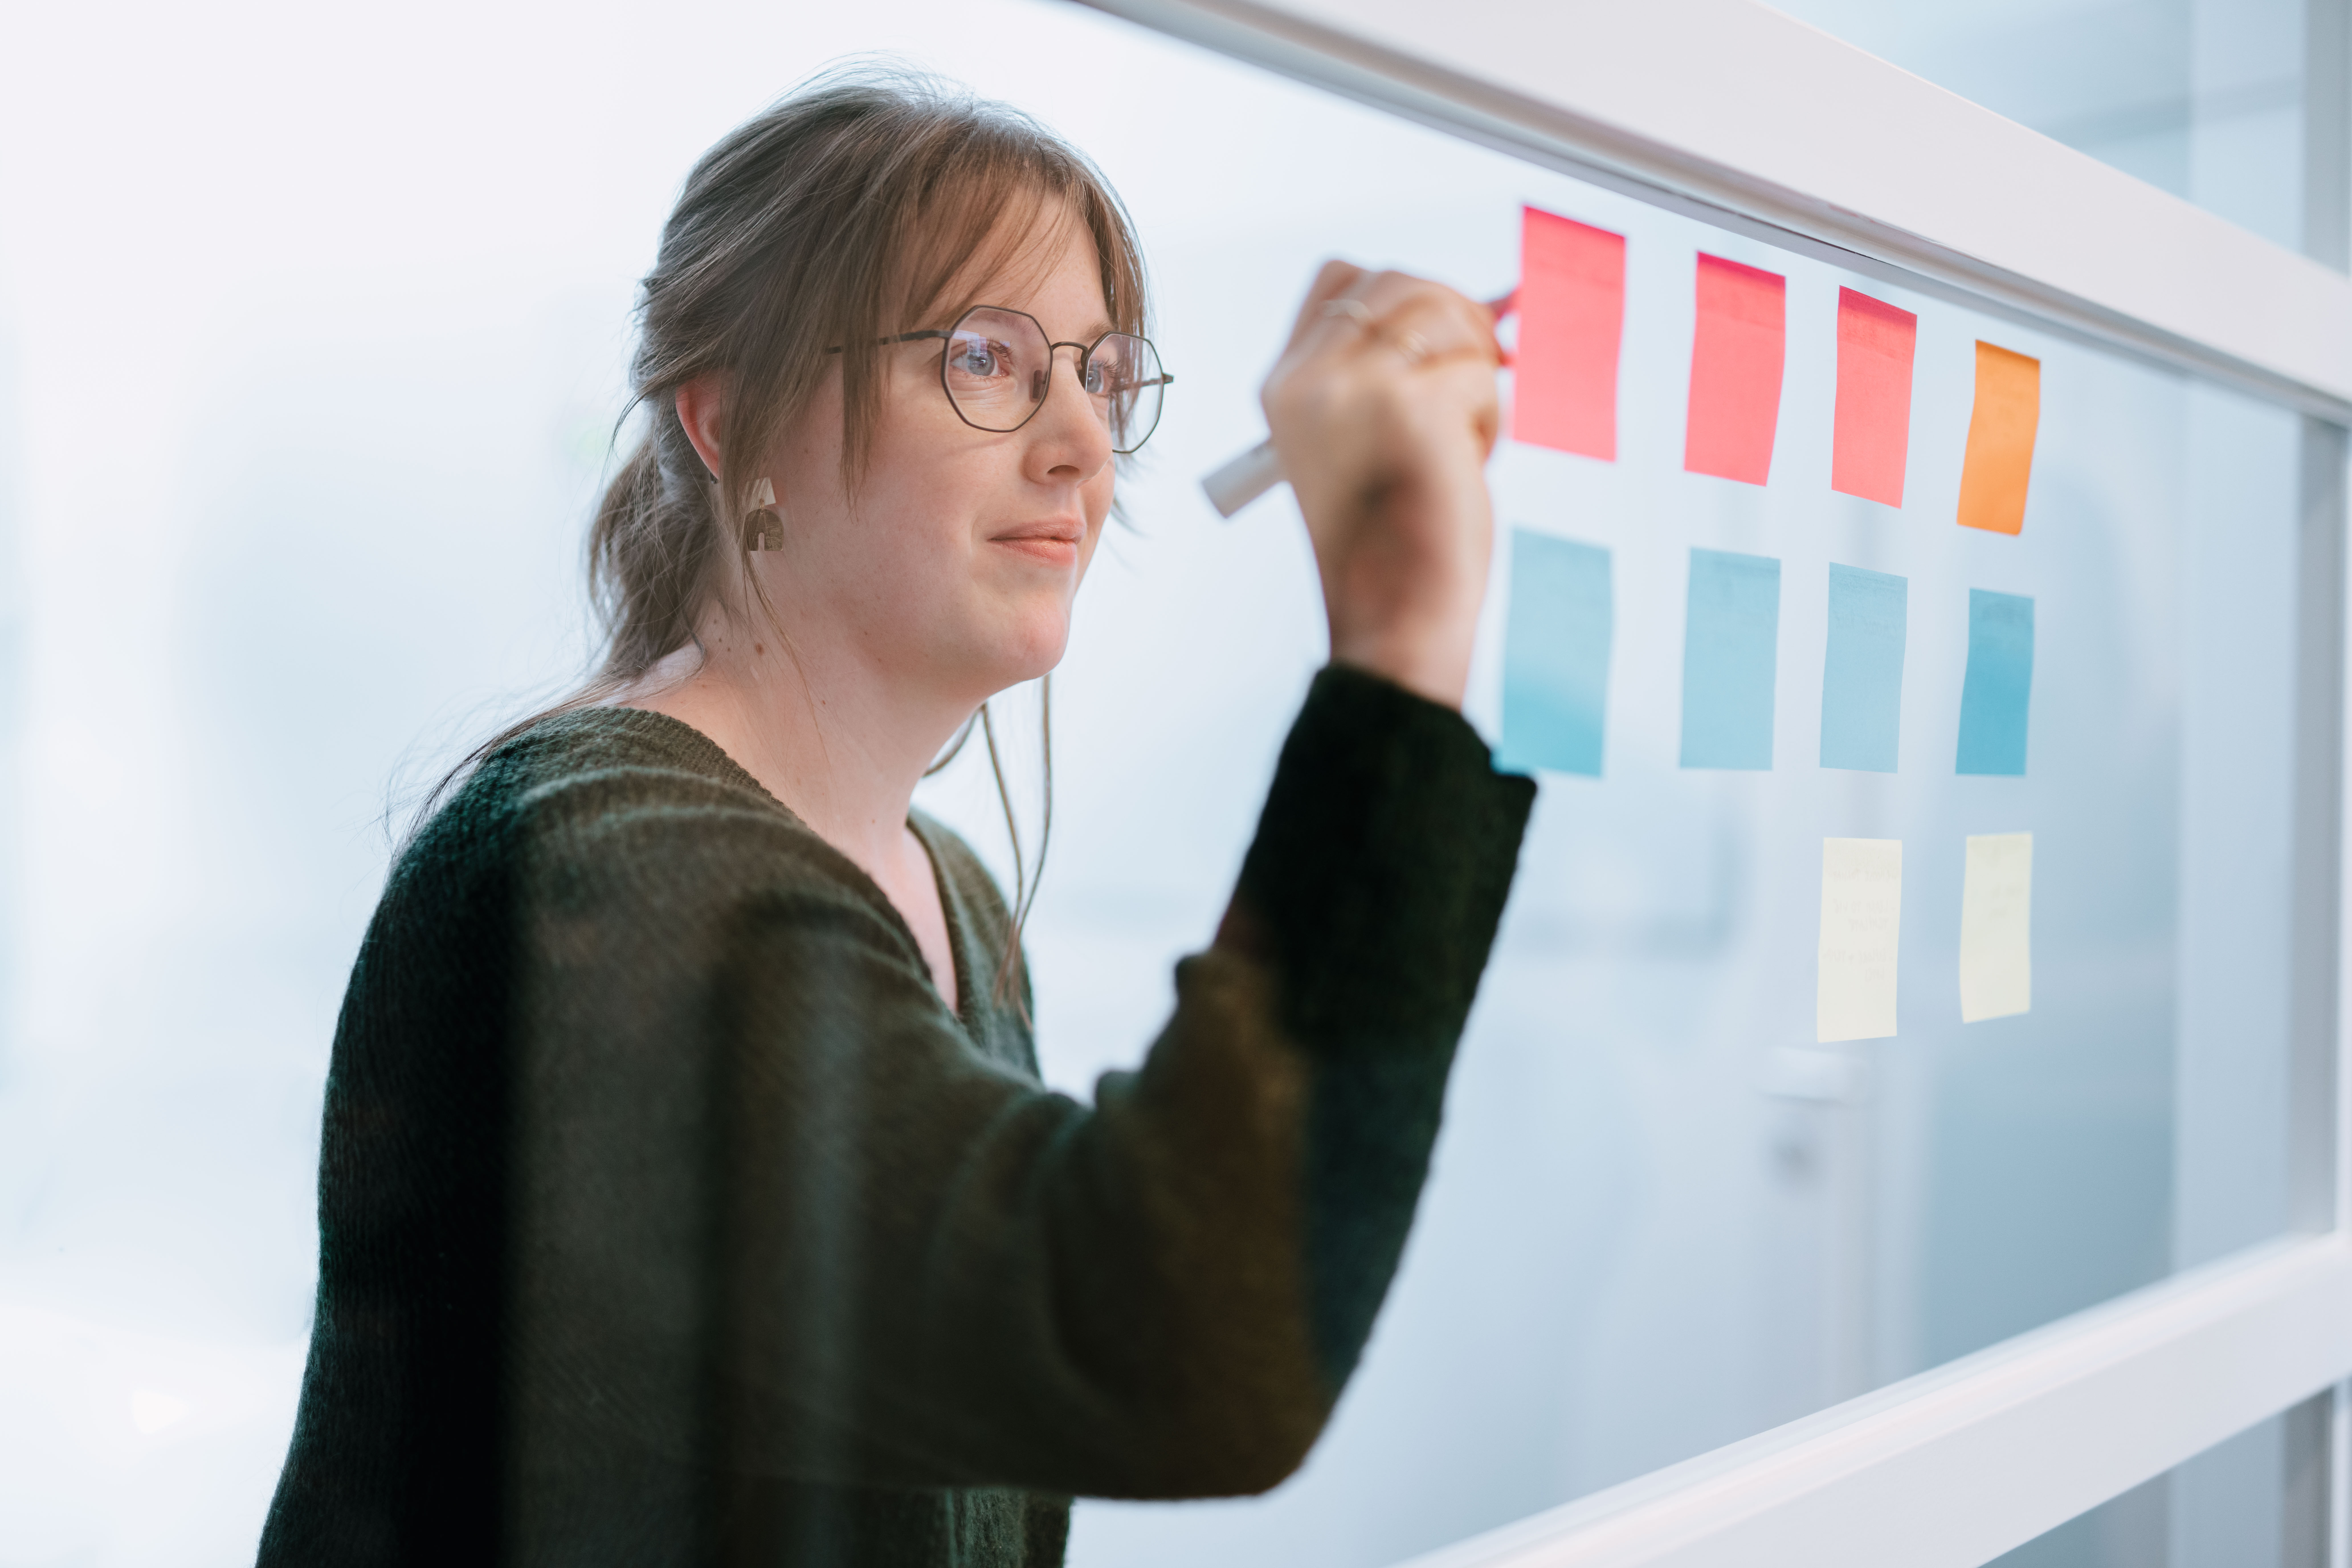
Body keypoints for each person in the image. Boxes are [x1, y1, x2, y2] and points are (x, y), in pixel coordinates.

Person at [257, 66, 1533, 1568]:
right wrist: (1401, 625)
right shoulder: (593, 870)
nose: (1081, 443)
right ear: (731, 419)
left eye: (1103, 375)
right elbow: (1182, 1345)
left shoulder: (956, 894)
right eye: (988, 359)